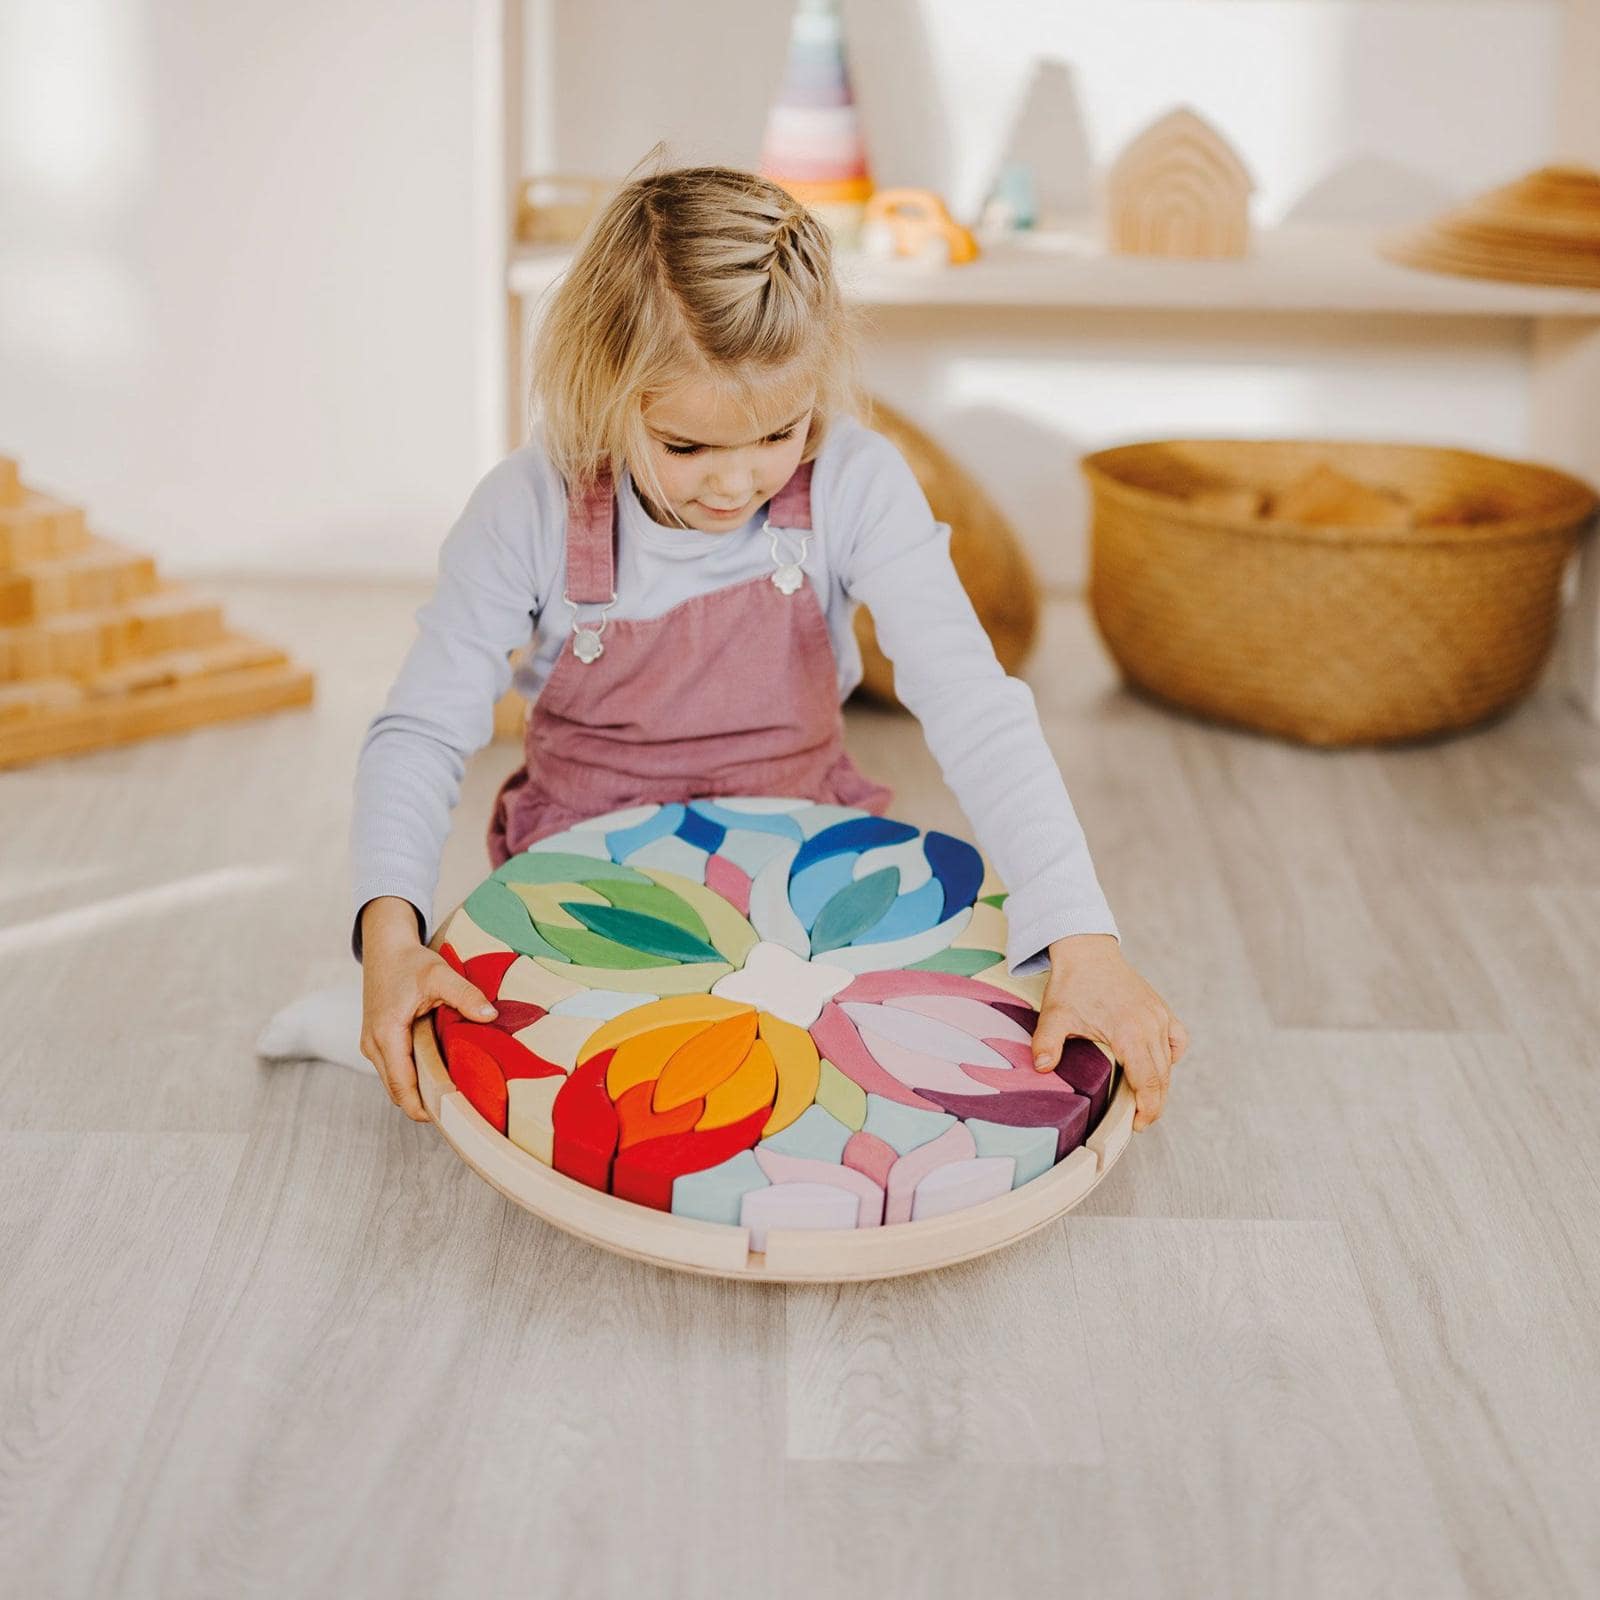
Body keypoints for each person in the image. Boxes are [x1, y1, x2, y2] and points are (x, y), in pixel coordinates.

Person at [351, 155, 1188, 1134]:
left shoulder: (855, 480)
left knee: (854, 1092)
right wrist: (390, 938)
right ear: (600, 383)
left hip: (806, 856)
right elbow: (421, 729)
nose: (735, 483)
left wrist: (1083, 940)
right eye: (685, 446)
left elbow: (973, 703)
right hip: (586, 871)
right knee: (632, 1104)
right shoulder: (529, 506)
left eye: (778, 433)